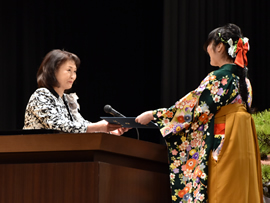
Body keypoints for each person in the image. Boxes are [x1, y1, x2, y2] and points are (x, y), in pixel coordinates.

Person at [136, 23, 263, 203]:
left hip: (225, 139)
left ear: (219, 47)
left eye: (208, 46)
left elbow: (192, 110)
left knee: (222, 188)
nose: (207, 51)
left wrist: (155, 115)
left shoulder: (219, 77)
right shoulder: (245, 81)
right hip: (243, 140)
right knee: (241, 188)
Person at [24, 49, 128, 135]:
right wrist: (99, 127)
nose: (73, 76)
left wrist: (110, 131)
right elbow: (60, 125)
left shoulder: (66, 99)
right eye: (69, 70)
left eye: (74, 71)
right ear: (52, 71)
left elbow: (79, 124)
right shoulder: (41, 95)